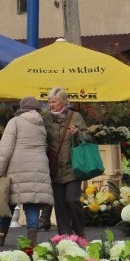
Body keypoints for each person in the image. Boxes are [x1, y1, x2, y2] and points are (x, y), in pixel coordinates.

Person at [0, 97, 54, 247]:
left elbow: (5, 149)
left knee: (8, 203)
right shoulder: (41, 125)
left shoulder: (15, 122)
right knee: (32, 204)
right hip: (39, 167)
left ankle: (0, 238)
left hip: (16, 167)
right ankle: (32, 243)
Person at [43, 87, 89, 237]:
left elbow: (88, 138)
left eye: (54, 101)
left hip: (73, 166)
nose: (51, 104)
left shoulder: (75, 116)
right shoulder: (45, 119)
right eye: (49, 102)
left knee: (72, 200)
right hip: (54, 168)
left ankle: (79, 232)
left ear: (63, 101)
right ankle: (64, 236)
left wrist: (79, 133)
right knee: (60, 205)